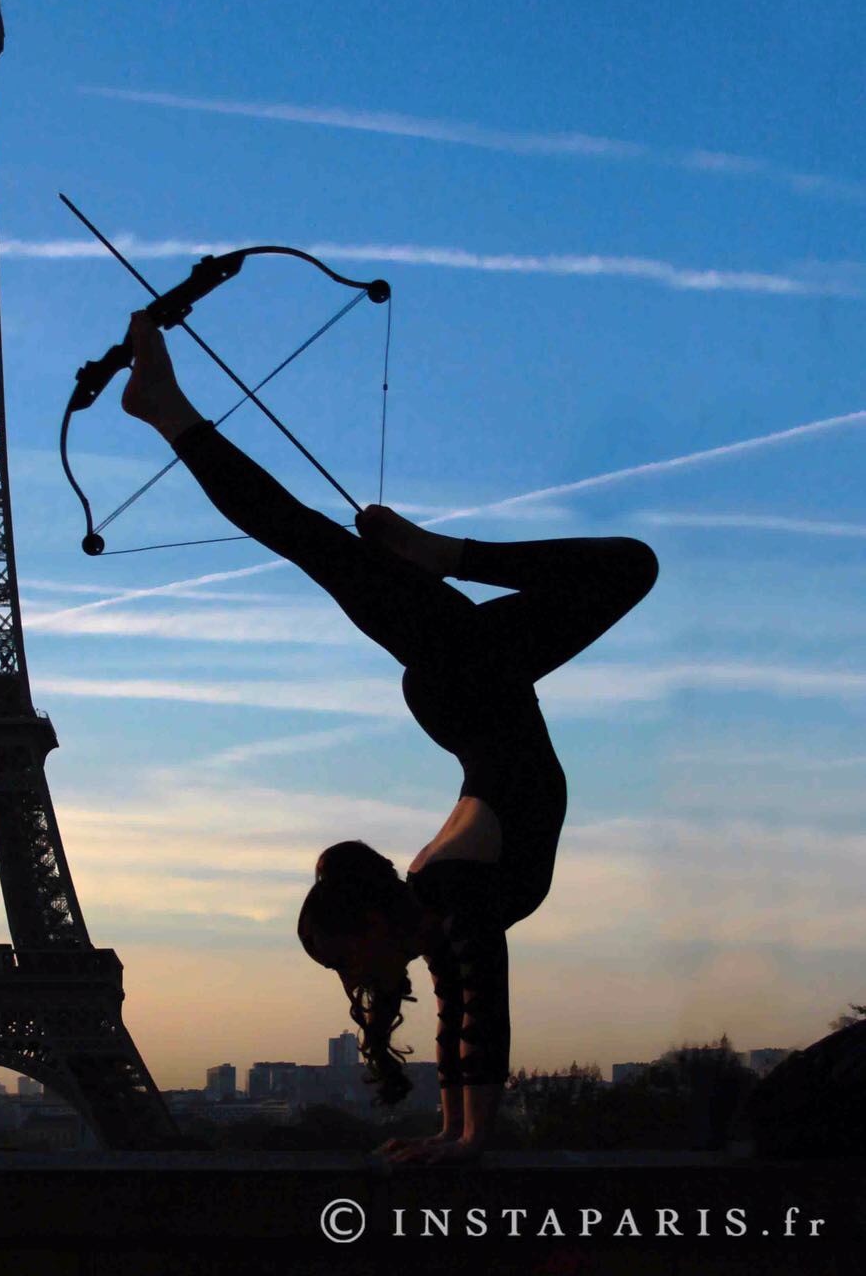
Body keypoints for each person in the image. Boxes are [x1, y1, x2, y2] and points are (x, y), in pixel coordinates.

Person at [121, 310, 659, 1165]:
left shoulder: (449, 887)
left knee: (316, 543)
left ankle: (178, 418)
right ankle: (433, 550)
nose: (355, 980)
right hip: (471, 688)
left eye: (347, 961)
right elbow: (469, 1011)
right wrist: (457, 1135)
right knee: (620, 566)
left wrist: (469, 1136)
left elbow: (478, 1013)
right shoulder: (444, 903)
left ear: (376, 921)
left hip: (469, 684)